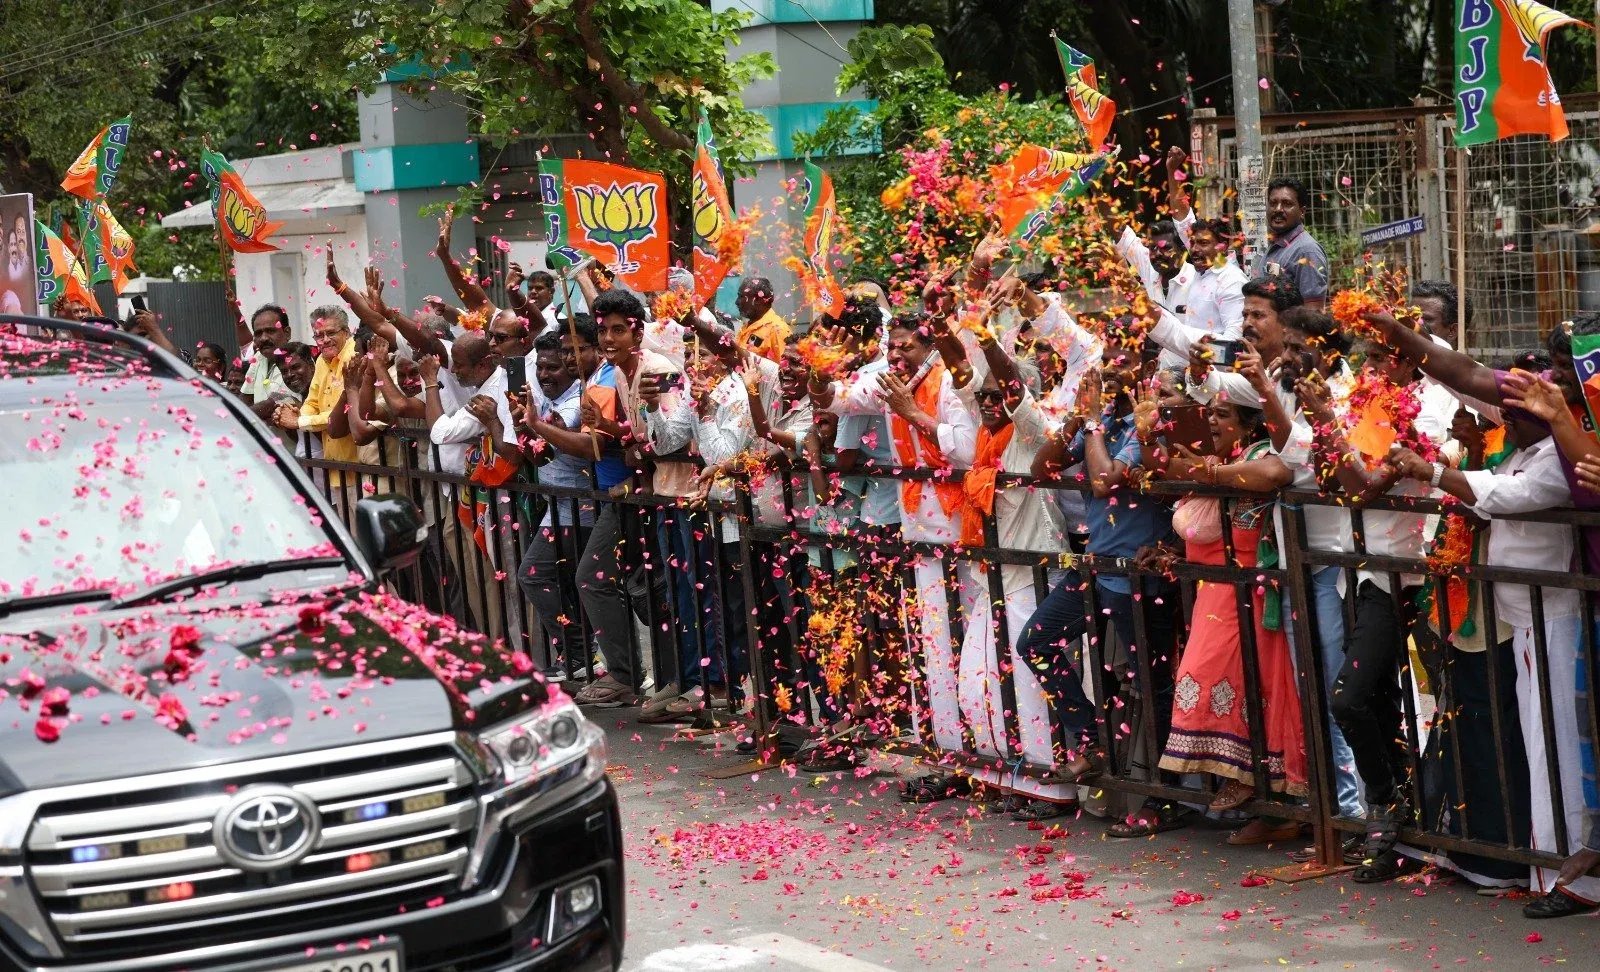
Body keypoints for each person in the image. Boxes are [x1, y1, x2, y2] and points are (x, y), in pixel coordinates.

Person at [1018, 317, 1185, 836]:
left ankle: (1164, 797)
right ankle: (1092, 740)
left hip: (1141, 578)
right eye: (1107, 357)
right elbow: (1041, 471)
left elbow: (1105, 479)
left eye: (1123, 358)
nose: (1110, 368)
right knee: (1037, 641)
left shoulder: (1148, 421)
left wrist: (1091, 425)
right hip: (1098, 570)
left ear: (1147, 366)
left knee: (1152, 687)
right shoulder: (1104, 420)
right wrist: (1075, 422)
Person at [811, 311, 976, 792]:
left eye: (905, 346)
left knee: (962, 642)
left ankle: (973, 757)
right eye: (892, 346)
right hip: (917, 532)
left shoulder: (947, 383)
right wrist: (822, 373)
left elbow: (964, 452)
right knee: (929, 642)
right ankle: (945, 757)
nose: (897, 355)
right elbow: (837, 400)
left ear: (928, 346)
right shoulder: (887, 383)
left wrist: (911, 413)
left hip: (958, 530)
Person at [1148, 399, 1308, 822]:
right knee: (1226, 681)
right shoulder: (1224, 458)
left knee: (1219, 678)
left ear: (1250, 423)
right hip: (1215, 591)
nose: (1212, 422)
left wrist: (1211, 473)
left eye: (1223, 415)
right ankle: (1250, 788)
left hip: (1245, 591)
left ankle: (1259, 782)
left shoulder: (1257, 458)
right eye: (1211, 415)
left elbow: (1277, 475)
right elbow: (1164, 469)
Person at [570, 288, 688, 708]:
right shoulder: (618, 371)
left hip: (676, 492)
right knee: (647, 586)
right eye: (603, 330)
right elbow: (635, 437)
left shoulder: (658, 368)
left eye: (618, 330)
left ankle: (675, 681)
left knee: (664, 589)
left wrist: (638, 454)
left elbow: (674, 438)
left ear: (638, 333)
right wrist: (606, 425)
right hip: (643, 493)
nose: (607, 339)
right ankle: (648, 677)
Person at [421, 330, 519, 643]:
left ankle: (521, 654)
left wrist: (430, 383)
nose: (455, 371)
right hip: (485, 496)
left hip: (505, 497)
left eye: (459, 365)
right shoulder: (488, 385)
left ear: (483, 365)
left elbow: (439, 432)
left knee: (511, 580)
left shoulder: (489, 395)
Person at [513, 327, 597, 680]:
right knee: (561, 582)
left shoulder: (580, 399)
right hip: (555, 507)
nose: (545, 375)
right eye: (541, 368)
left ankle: (580, 654)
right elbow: (537, 458)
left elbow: (560, 443)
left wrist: (535, 426)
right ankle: (578, 658)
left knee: (534, 575)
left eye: (553, 368)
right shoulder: (542, 399)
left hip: (581, 508)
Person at [277, 306, 358, 505]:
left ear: (346, 332)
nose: (324, 340)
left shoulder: (353, 357)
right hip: (336, 466)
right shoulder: (322, 359)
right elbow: (312, 402)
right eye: (318, 335)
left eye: (330, 333)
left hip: (361, 466)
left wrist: (299, 422)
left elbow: (341, 413)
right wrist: (299, 414)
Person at [1113, 217, 1195, 371]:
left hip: (1192, 374)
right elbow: (1120, 232)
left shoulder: (1196, 280)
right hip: (1157, 374)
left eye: (1166, 248)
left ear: (1182, 250)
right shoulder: (1150, 269)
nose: (1157, 254)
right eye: (1152, 248)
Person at [1262, 177, 1330, 309]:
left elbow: (1313, 313)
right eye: (1273, 203)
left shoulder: (1306, 251)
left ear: (1302, 212)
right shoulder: (1276, 245)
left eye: (1287, 203)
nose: (1278, 209)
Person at [239, 305, 294, 419]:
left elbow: (271, 405)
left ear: (287, 333)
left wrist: (238, 417)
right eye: (258, 333)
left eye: (270, 331)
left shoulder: (297, 361)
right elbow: (245, 398)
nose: (263, 338)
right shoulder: (259, 357)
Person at [734, 276, 789, 363]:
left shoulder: (777, 329)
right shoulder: (748, 326)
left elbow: (784, 369)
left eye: (741, 296)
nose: (737, 302)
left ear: (759, 301)